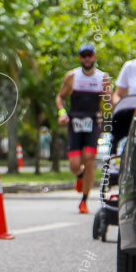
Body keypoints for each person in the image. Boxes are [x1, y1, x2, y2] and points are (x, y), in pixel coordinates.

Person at [55, 42, 112, 214]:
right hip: (75, 122)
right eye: (83, 55)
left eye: (90, 55)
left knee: (89, 159)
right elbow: (60, 97)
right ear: (80, 58)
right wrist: (62, 113)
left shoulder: (103, 78)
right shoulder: (72, 76)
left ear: (94, 56)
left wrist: (105, 113)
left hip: (93, 123)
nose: (87, 58)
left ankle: (84, 200)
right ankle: (79, 176)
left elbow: (109, 102)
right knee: (74, 164)